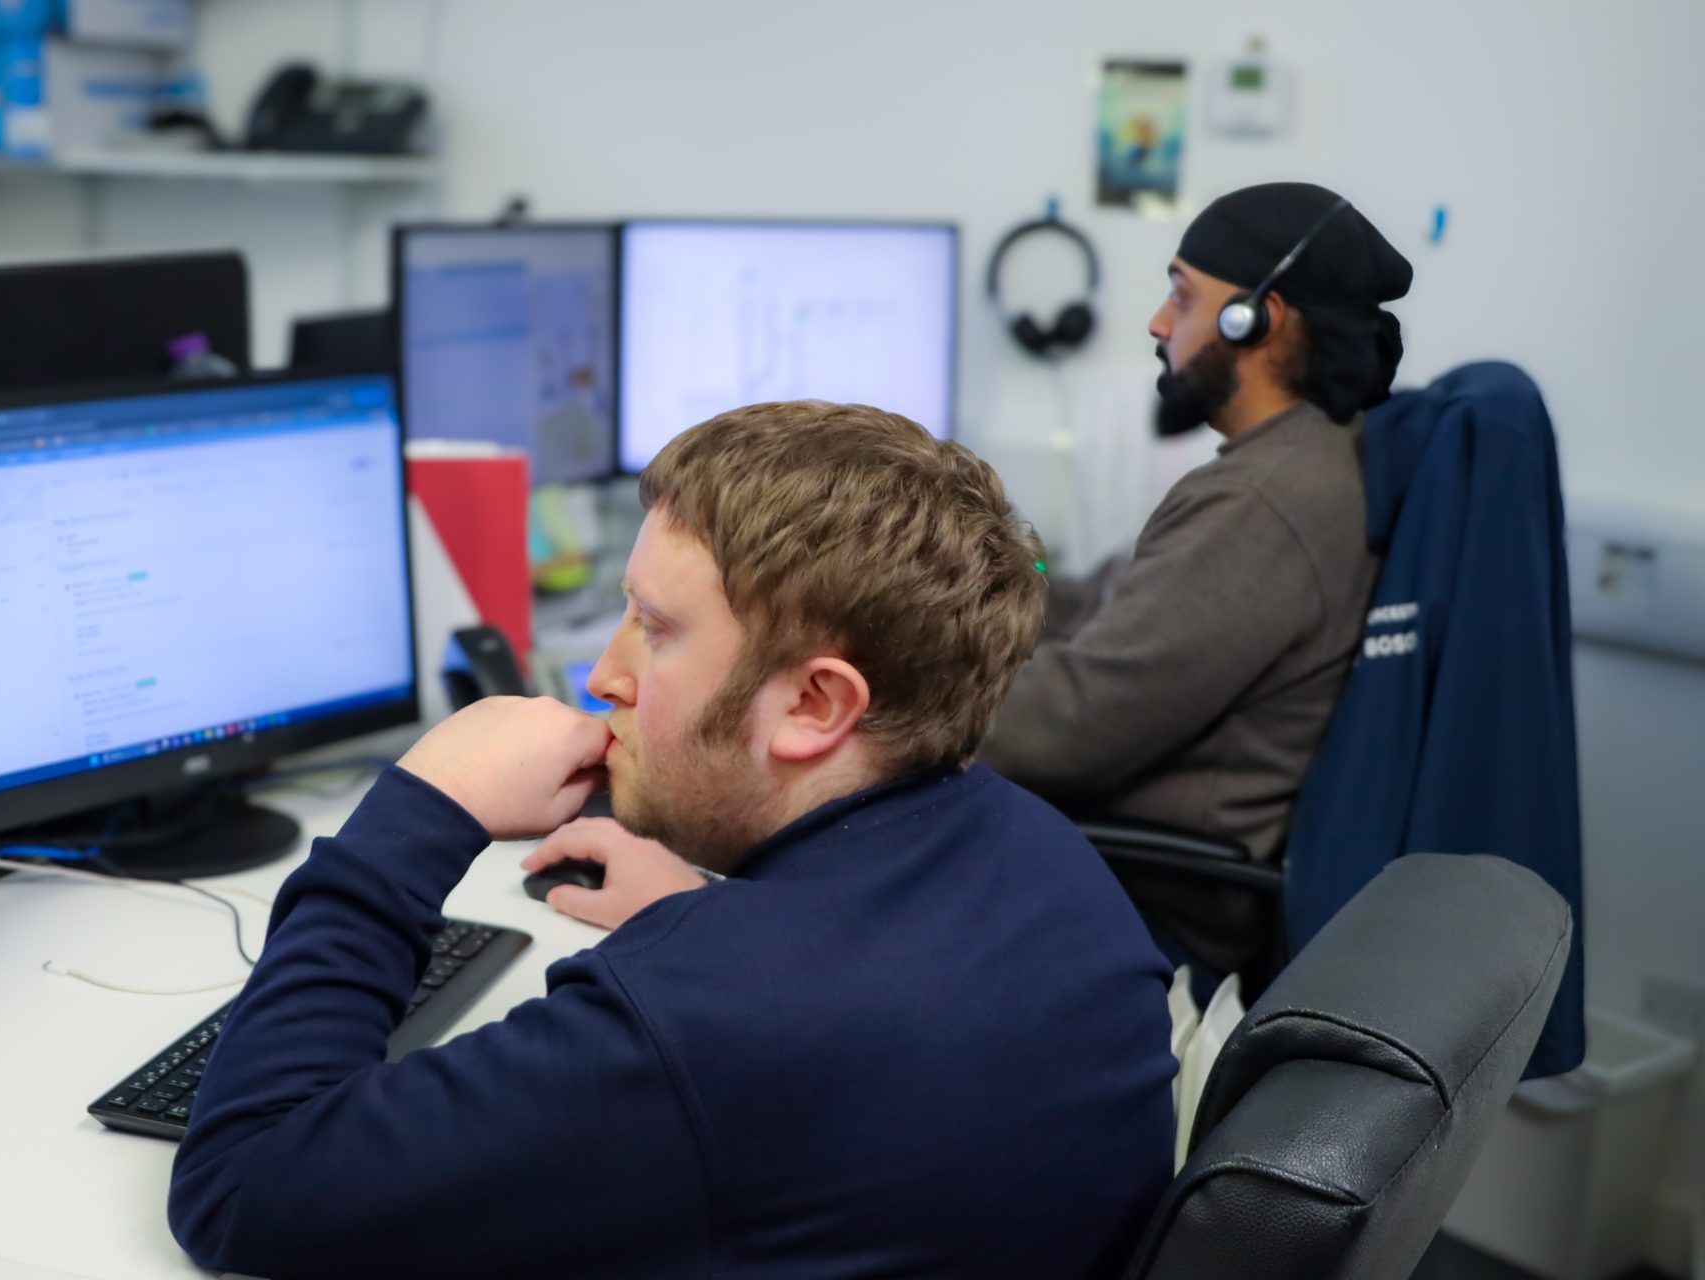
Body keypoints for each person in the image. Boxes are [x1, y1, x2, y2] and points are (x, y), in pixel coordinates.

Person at [168, 401, 1177, 1279]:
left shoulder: (708, 1028)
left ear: (817, 701)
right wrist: (698, 917)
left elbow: (243, 1182)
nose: (603, 673)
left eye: (654, 626)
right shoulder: (1044, 852)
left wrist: (426, 805)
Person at [970, 182, 1410, 973]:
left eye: (1181, 296)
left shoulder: (1262, 503)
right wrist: (975, 586)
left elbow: (1072, 723)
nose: (1157, 323)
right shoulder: (1290, 465)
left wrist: (886, 702)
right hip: (1118, 861)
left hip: (1146, 898)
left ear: (1257, 320)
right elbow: (1114, 592)